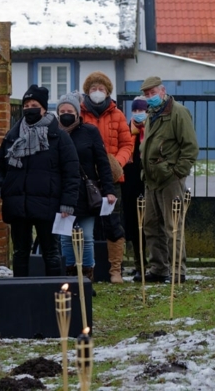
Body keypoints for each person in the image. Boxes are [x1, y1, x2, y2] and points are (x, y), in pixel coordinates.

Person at [0, 84, 80, 277]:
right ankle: (20, 294)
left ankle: (55, 295)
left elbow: (72, 172)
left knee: (51, 253)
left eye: (34, 104)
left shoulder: (58, 136)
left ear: (43, 108)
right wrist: (1, 188)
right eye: (26, 105)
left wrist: (68, 203)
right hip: (18, 204)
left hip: (48, 205)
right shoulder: (12, 136)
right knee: (20, 252)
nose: (29, 108)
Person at [134, 76, 199, 283]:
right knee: (151, 226)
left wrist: (177, 172)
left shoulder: (178, 113)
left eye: (153, 93)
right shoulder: (152, 114)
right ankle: (158, 268)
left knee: (173, 226)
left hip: (169, 179)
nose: (150, 97)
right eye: (147, 94)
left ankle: (178, 271)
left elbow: (190, 147)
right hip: (151, 179)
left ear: (163, 91)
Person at [55, 91, 116, 285]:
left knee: (87, 237)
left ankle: (87, 277)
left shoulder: (89, 132)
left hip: (86, 194)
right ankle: (70, 278)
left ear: (77, 112)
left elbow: (103, 163)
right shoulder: (53, 134)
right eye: (62, 110)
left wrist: (109, 190)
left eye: (69, 110)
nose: (66, 113)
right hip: (62, 194)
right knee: (65, 239)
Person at [79, 71, 134, 283]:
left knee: (113, 223)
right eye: (93, 89)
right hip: (87, 179)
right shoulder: (81, 113)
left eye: (101, 89)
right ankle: (87, 269)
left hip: (112, 179)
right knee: (86, 223)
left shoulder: (117, 115)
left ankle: (115, 270)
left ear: (108, 91)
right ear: (87, 91)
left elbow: (127, 144)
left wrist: (116, 164)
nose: (97, 92)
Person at [122, 96, 148, 275]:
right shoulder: (126, 130)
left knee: (148, 225)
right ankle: (139, 264)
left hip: (146, 183)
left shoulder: (151, 131)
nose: (138, 114)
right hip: (129, 184)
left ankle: (152, 263)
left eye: (142, 110)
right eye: (135, 110)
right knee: (132, 225)